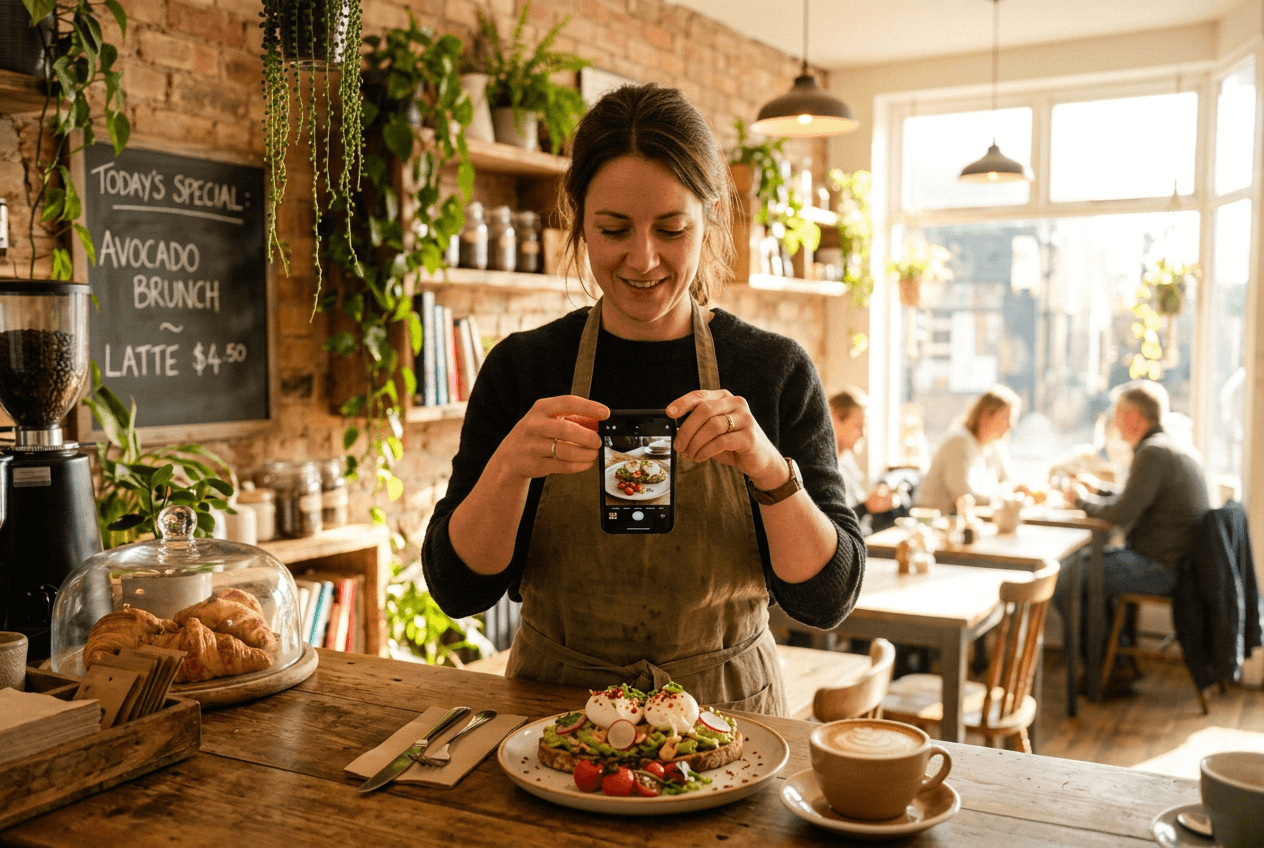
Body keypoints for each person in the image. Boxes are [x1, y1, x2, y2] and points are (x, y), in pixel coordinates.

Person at [421, 83, 866, 716]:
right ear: (578, 222)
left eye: (671, 228)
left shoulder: (771, 370)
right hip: (555, 717)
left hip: (729, 722)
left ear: (708, 219)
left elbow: (827, 599)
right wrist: (509, 468)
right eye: (613, 229)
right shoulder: (524, 368)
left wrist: (769, 471)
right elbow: (458, 588)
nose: (643, 258)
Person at [1055, 380, 1210, 688]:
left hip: (1163, 568)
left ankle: (1102, 670)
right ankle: (1115, 662)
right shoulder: (1170, 445)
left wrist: (1078, 500)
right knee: (1087, 569)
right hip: (1180, 562)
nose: (1114, 422)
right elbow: (1134, 499)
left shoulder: (1153, 453)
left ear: (1136, 418)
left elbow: (1121, 515)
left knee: (1069, 576)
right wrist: (1098, 489)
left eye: (1118, 414)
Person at [914, 385, 1022, 515]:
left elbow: (1012, 484)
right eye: (1006, 418)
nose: (1011, 425)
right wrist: (1006, 493)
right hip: (936, 522)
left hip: (968, 521)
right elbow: (965, 498)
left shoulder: (995, 447)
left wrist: (1015, 490)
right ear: (986, 415)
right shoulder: (958, 442)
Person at [829, 387, 909, 534]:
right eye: (859, 426)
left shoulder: (846, 460)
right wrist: (866, 507)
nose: (863, 435)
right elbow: (833, 526)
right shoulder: (825, 467)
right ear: (836, 419)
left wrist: (875, 504)